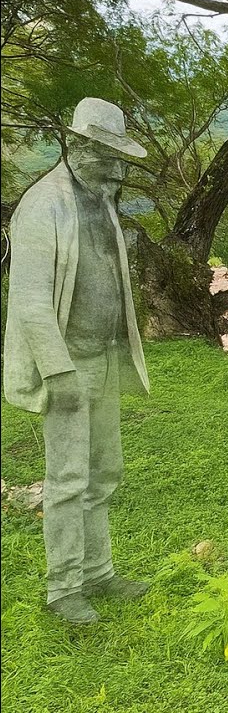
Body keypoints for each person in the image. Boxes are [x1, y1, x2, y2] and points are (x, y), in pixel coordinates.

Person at [3, 98, 152, 624]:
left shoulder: (100, 201)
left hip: (105, 356)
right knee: (67, 477)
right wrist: (57, 369)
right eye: (108, 155)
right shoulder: (44, 204)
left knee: (104, 471)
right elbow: (28, 300)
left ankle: (100, 572)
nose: (118, 167)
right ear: (80, 146)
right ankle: (64, 587)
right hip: (68, 362)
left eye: (121, 156)